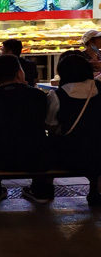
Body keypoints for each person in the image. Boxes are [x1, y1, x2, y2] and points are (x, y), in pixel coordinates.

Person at [0, 55, 53, 203]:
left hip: (1, 157)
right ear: (19, 73)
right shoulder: (38, 96)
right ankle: (39, 189)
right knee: (40, 141)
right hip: (34, 157)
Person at [46, 55, 101, 206]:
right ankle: (95, 191)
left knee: (49, 142)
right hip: (98, 153)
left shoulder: (57, 96)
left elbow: (51, 125)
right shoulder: (99, 88)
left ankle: (45, 188)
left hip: (69, 156)